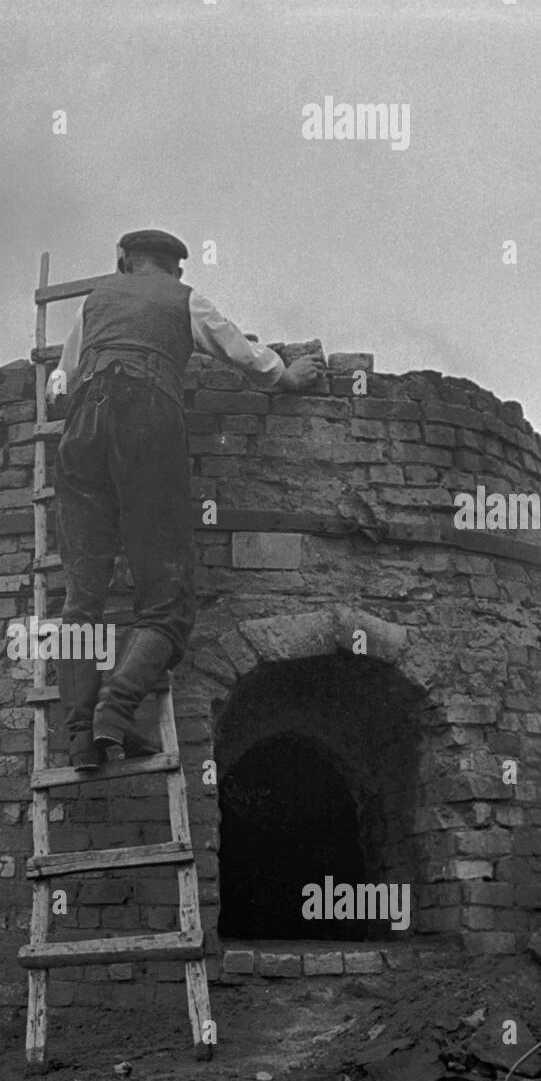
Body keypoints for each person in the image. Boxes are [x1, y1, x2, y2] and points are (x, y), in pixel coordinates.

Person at [46, 228, 322, 769]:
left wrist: (71, 398)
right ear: (174, 270)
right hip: (147, 421)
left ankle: (80, 735)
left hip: (81, 430)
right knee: (167, 600)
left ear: (123, 262)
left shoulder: (95, 301)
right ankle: (115, 712)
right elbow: (242, 352)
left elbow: (60, 381)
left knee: (80, 601)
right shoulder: (183, 298)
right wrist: (287, 375)